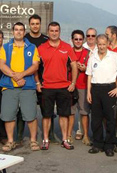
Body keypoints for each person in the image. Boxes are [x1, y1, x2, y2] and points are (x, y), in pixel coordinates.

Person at [0, 22, 40, 152]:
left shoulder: (32, 47)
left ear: (24, 31)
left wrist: (22, 75)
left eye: (21, 30)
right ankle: (10, 141)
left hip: (27, 86)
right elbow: (1, 65)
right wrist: (15, 76)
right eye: (16, 30)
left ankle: (33, 140)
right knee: (8, 115)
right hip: (9, 86)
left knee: (30, 115)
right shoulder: (6, 47)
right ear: (13, 31)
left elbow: (35, 66)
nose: (19, 32)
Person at [38, 22, 78, 150]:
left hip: (64, 87)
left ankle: (65, 140)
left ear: (59, 32)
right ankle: (45, 140)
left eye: (56, 30)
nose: (54, 33)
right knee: (46, 115)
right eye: (51, 30)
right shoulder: (41, 48)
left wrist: (73, 83)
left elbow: (74, 65)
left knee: (64, 114)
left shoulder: (67, 47)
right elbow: (35, 67)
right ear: (48, 32)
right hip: (47, 87)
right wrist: (38, 83)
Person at [86, 34, 117, 157]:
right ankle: (97, 144)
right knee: (96, 119)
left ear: (107, 44)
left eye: (104, 44)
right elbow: (89, 75)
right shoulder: (92, 57)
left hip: (109, 89)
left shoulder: (114, 56)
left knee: (110, 119)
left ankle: (109, 145)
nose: (102, 47)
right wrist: (89, 92)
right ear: (97, 44)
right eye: (99, 44)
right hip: (95, 89)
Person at [24, 14, 56, 144]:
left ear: (40, 25)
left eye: (37, 23)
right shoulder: (24, 39)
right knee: (25, 110)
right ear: (29, 25)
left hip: (45, 80)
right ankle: (20, 136)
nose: (35, 26)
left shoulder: (46, 40)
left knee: (47, 110)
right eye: (33, 23)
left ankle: (50, 135)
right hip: (27, 79)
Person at [68, 29, 91, 145]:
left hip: (83, 85)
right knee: (70, 112)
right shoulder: (68, 51)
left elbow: (92, 69)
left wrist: (85, 68)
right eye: (75, 39)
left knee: (84, 112)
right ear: (72, 40)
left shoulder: (88, 53)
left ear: (83, 40)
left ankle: (86, 135)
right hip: (70, 86)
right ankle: (68, 135)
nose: (78, 41)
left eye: (80, 39)